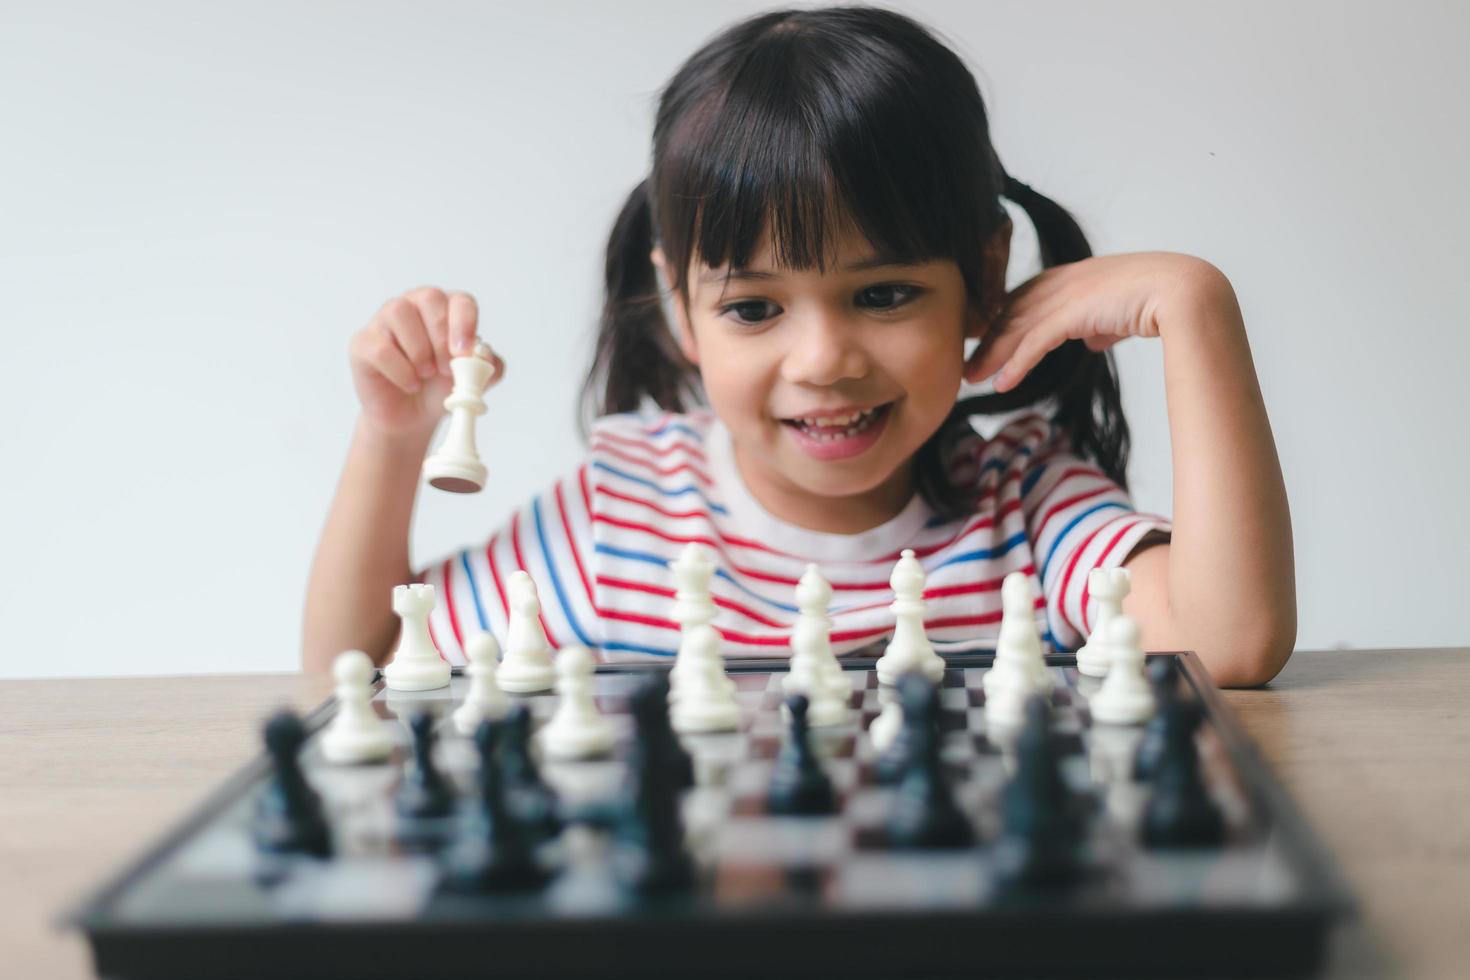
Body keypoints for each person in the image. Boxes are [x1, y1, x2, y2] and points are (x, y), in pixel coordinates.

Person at [302, 6, 1294, 687]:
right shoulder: (625, 514)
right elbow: (371, 665)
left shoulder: (1027, 504)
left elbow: (1230, 641)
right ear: (682, 311)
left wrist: (1194, 304)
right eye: (753, 309)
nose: (822, 358)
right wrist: (392, 438)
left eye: (886, 292)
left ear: (986, 277)